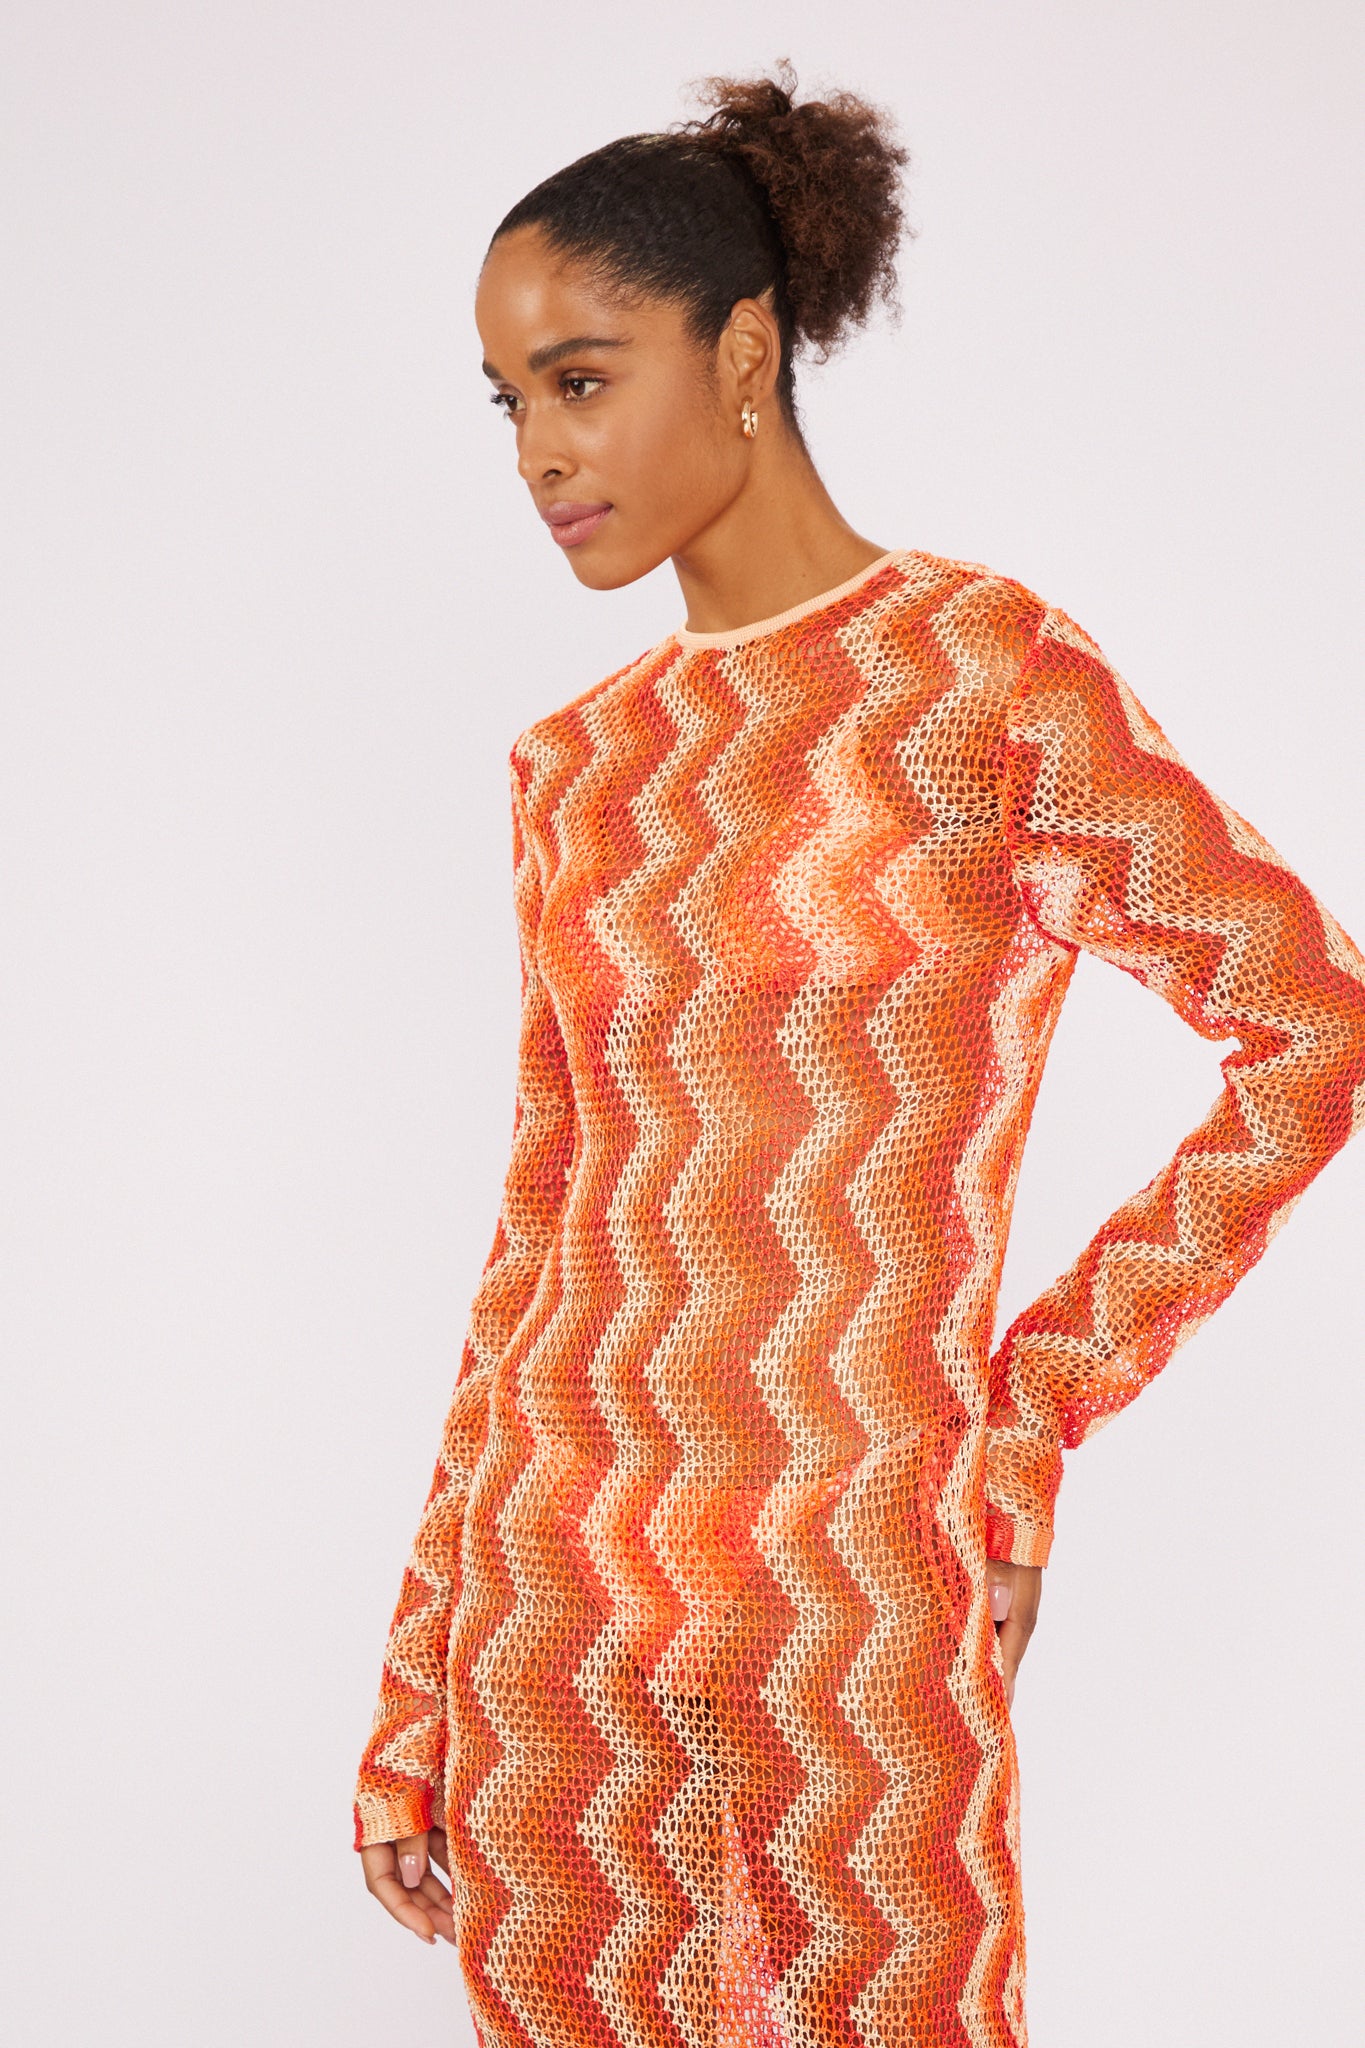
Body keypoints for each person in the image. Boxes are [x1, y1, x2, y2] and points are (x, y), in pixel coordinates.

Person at [351, 62, 1365, 2047]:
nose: (540, 453)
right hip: (556, 1623)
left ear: (741, 353)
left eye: (579, 380)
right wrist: (417, 1672)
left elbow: (1309, 1029)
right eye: (509, 403)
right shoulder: (574, 773)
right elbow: (543, 1232)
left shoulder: (981, 682)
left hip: (860, 1604)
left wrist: (1030, 1405)